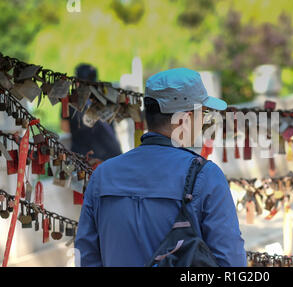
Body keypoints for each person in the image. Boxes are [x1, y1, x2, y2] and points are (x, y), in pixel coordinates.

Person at [75, 68, 247, 267]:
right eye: (204, 113)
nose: (204, 121)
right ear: (185, 119)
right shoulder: (205, 175)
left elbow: (86, 256)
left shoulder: (103, 175)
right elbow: (230, 261)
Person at [61, 64, 122, 161]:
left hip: (86, 159)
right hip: (112, 154)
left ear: (77, 81)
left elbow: (64, 127)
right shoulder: (107, 95)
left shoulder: (71, 100)